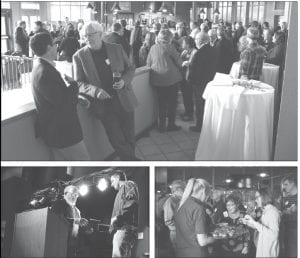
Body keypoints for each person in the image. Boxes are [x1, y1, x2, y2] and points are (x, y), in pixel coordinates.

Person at [73, 21, 139, 161]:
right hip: (104, 104)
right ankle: (133, 162)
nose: (88, 38)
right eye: (85, 35)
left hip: (124, 98)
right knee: (116, 138)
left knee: (129, 135)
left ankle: (130, 163)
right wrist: (95, 91)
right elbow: (78, 83)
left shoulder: (116, 48)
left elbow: (131, 68)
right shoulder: (79, 56)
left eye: (92, 35)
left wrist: (124, 81)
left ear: (101, 34)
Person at [30, 32, 89, 160]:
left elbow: (55, 98)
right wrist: (73, 85)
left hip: (56, 132)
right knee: (84, 164)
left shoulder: (41, 68)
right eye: (54, 44)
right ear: (48, 48)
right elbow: (63, 104)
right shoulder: (45, 72)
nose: (57, 47)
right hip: (63, 133)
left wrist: (76, 97)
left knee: (67, 169)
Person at [147, 29, 183, 132]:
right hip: (171, 79)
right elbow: (179, 62)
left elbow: (148, 63)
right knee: (172, 103)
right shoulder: (170, 47)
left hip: (157, 80)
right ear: (169, 38)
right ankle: (171, 125)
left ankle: (161, 126)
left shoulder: (153, 48)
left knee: (161, 104)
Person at [175, 178, 216, 257]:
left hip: (181, 252)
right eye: (208, 195)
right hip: (196, 253)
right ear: (203, 192)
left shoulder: (180, 204)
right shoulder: (198, 207)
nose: (207, 198)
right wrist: (217, 238)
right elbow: (202, 241)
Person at [187, 32, 216, 132]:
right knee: (207, 105)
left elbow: (195, 70)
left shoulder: (199, 53)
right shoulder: (213, 50)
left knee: (199, 105)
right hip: (210, 81)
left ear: (200, 40)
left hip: (200, 83)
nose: (195, 41)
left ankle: (199, 126)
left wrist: (190, 81)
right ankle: (207, 125)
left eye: (196, 39)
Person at [51, 185, 88, 258]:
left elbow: (77, 227)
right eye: (72, 194)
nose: (74, 197)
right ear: (65, 194)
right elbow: (55, 219)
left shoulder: (77, 211)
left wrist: (85, 229)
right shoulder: (58, 204)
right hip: (59, 242)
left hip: (73, 246)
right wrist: (76, 221)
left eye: (76, 195)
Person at [243, 188, 281, 258]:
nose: (255, 200)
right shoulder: (266, 210)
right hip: (263, 249)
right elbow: (263, 227)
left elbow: (274, 235)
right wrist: (249, 223)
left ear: (265, 196)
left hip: (268, 251)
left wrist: (254, 223)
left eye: (257, 197)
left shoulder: (272, 211)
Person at [110, 171, 139, 258]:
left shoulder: (128, 185)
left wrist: (117, 217)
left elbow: (132, 202)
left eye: (112, 181)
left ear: (118, 178)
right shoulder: (123, 189)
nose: (111, 184)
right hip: (123, 228)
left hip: (124, 228)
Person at [163, 180, 186, 253]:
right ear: (178, 189)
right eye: (185, 188)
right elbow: (168, 221)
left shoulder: (181, 200)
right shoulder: (170, 201)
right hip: (177, 233)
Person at [280, 175, 297, 258]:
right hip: (286, 229)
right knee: (288, 252)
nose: (284, 187)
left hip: (296, 229)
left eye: (286, 184)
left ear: (293, 183)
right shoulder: (286, 198)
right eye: (283, 185)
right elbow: (283, 211)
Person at [180, 36, 197, 121]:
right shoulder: (184, 52)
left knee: (189, 97)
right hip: (183, 77)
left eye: (183, 42)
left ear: (187, 44)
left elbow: (196, 65)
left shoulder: (195, 52)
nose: (181, 44)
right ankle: (187, 112)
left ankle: (190, 114)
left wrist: (188, 63)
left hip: (190, 78)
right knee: (185, 96)